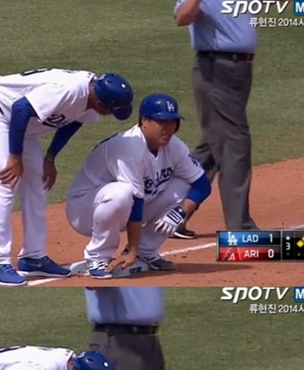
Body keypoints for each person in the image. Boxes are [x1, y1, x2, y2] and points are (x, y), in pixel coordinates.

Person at [0, 68, 134, 286]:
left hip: (23, 124)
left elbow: (74, 121)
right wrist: (15, 156)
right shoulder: (68, 90)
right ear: (101, 102)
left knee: (37, 182)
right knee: (6, 181)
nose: (110, 114)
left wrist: (50, 157)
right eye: (111, 110)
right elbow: (21, 108)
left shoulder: (92, 98)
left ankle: (33, 257)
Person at [65, 93, 211, 279]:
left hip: (124, 207)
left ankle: (146, 251)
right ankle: (97, 257)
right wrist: (131, 251)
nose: (168, 128)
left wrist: (181, 211)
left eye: (173, 122)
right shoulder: (130, 148)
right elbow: (136, 202)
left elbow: (202, 184)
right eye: (162, 122)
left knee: (182, 186)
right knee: (121, 193)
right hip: (84, 210)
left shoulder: (175, 146)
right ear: (145, 121)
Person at [173, 0, 259, 239]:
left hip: (241, 69)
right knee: (235, 144)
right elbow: (182, 17)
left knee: (214, 144)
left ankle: (172, 214)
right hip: (215, 69)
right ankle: (240, 228)